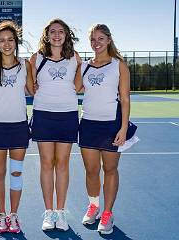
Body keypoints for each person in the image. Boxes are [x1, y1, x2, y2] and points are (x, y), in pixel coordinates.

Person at [29, 18, 82, 231]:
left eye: (61, 31)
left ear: (66, 35)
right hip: (43, 115)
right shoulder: (37, 58)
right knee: (46, 163)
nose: (57, 35)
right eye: (53, 31)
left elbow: (77, 86)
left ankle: (60, 213)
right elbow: (31, 87)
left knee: (62, 164)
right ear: (47, 35)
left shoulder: (75, 58)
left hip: (67, 115)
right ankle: (48, 212)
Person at [78, 24, 131, 234]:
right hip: (88, 124)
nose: (96, 43)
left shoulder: (119, 66)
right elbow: (73, 88)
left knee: (110, 170)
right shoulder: (84, 67)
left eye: (101, 38)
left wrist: (124, 128)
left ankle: (107, 213)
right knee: (91, 171)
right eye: (93, 39)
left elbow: (125, 99)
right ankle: (94, 206)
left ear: (109, 40)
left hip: (111, 125)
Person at [0, 20, 35, 234]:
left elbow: (33, 90)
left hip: (19, 127)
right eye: (2, 40)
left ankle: (14, 216)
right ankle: (1, 215)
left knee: (16, 173)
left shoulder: (25, 64)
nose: (7, 44)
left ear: (16, 42)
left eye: (10, 40)